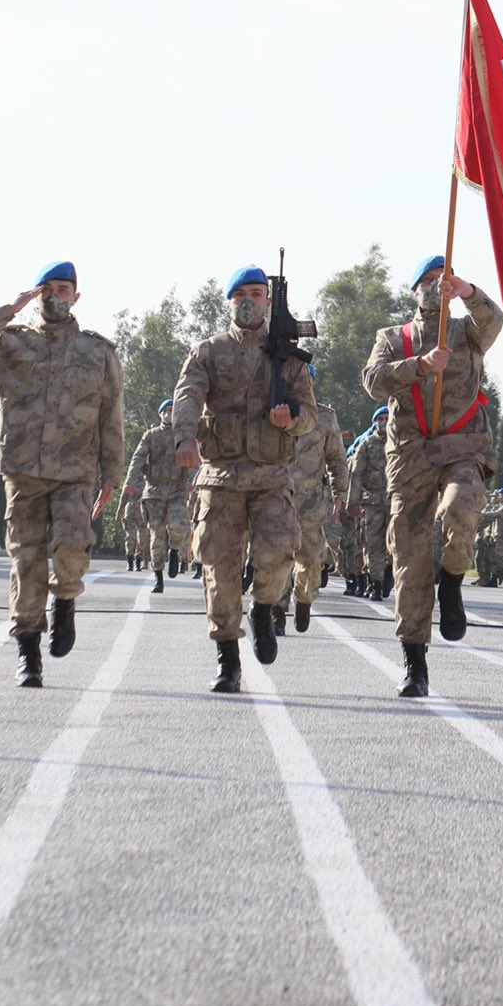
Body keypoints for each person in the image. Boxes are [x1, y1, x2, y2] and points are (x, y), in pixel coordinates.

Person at [0, 261, 124, 688]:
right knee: (26, 562)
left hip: (76, 471)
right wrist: (10, 309)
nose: (54, 296)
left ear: (76, 296)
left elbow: (111, 416)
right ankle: (28, 652)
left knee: (72, 545)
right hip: (23, 470)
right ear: (36, 295)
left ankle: (65, 599)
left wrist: (112, 475)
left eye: (63, 289)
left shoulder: (98, 352)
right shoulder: (9, 344)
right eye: (46, 289)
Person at [362, 256, 503, 700]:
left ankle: (455, 582)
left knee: (462, 508)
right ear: (413, 292)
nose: (433, 288)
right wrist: (419, 366)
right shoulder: (393, 337)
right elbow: (372, 381)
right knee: (409, 561)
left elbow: (494, 320)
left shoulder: (466, 331)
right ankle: (414, 662)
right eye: (425, 282)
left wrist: (468, 292)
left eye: (441, 281)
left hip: (462, 447)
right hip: (410, 456)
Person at [172, 265, 315, 693]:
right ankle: (227, 659)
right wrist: (184, 436)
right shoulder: (208, 351)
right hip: (221, 474)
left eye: (258, 293)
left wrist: (289, 420)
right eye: (242, 295)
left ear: (269, 302)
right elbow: (187, 395)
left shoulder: (288, 358)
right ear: (230, 302)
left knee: (277, 551)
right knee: (219, 567)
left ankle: (264, 605)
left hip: (271, 475)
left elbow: (309, 415)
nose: (250, 300)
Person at [288, 371, 348, 631]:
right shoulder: (275, 410)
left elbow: (336, 459)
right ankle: (276, 609)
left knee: (311, 560)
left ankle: (303, 600)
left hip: (311, 502)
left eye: (307, 379)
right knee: (275, 559)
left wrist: (340, 494)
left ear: (312, 382)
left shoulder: (325, 417)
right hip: (275, 498)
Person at [127, 399, 191, 593]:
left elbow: (194, 458)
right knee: (156, 536)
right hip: (153, 492)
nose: (169, 413)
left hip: (177, 491)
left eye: (173, 410)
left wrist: (194, 480)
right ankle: (158, 577)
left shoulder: (184, 435)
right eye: (166, 410)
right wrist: (130, 481)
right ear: (160, 413)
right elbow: (137, 458)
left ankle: (175, 550)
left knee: (179, 524)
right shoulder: (151, 435)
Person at [346, 406, 391, 599]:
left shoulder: (402, 443)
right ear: (374, 422)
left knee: (395, 544)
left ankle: (388, 574)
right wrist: (352, 502)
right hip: (371, 504)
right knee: (373, 545)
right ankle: (376, 585)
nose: (383, 422)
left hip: (395, 504)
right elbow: (356, 475)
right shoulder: (366, 444)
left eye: (387, 418)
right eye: (380, 418)